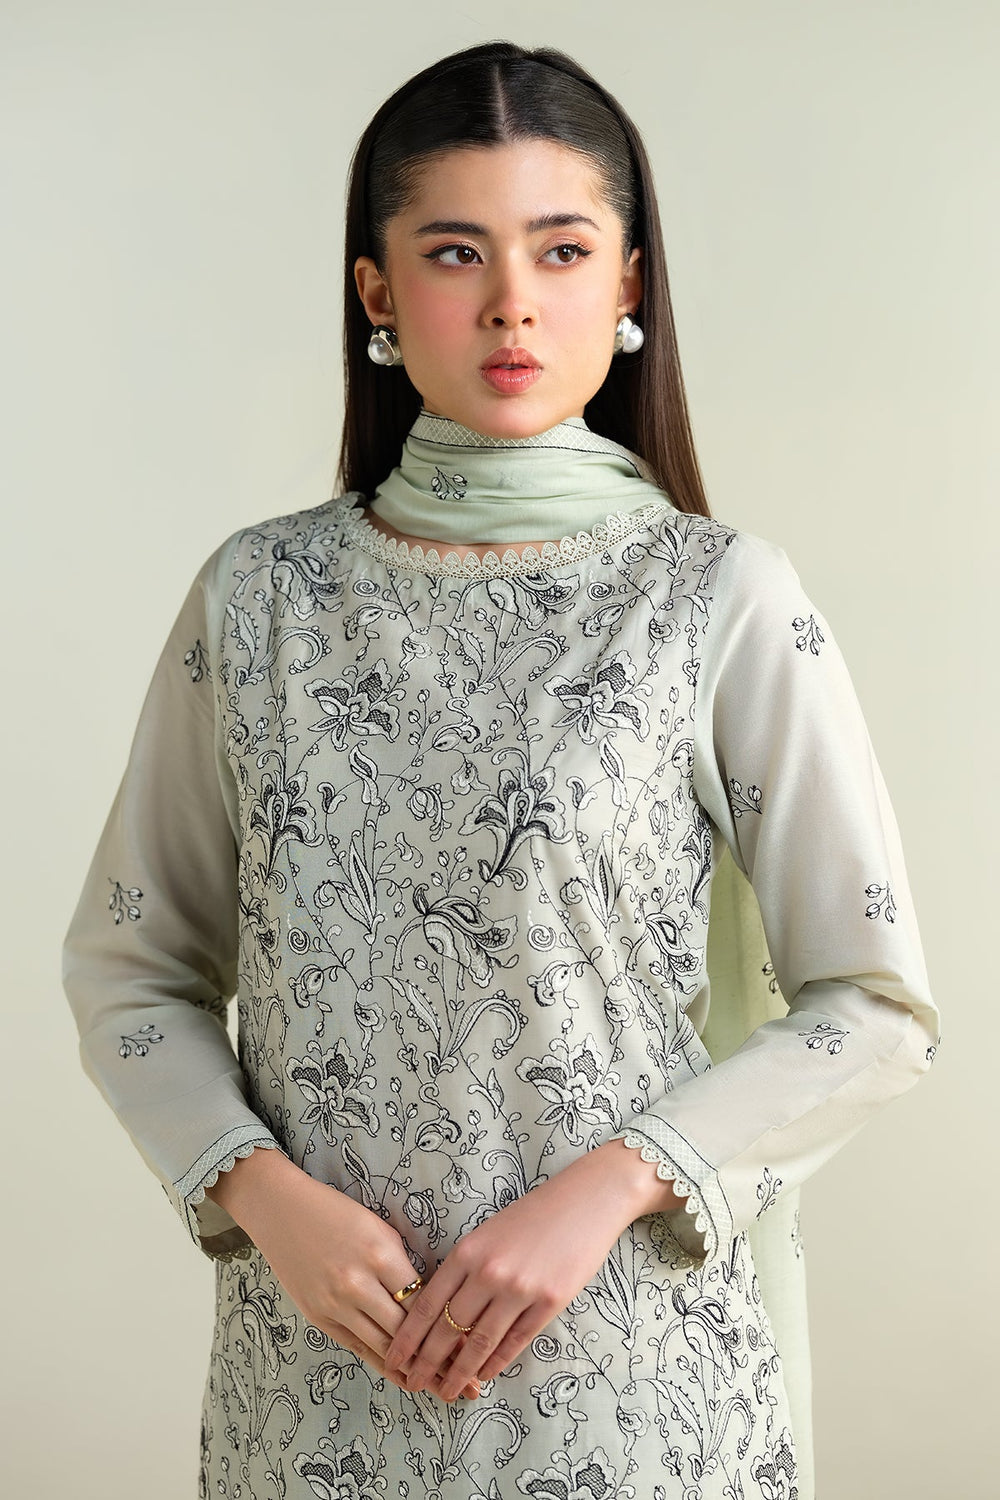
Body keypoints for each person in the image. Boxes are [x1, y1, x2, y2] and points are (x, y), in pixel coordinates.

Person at [63, 40, 939, 1500]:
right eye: (456, 251)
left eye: (562, 249)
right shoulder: (257, 598)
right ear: (378, 293)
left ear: (631, 285)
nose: (513, 301)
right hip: (315, 1385)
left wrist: (612, 1187)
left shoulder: (713, 596)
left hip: (630, 1379)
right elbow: (130, 969)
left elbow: (874, 1009)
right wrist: (259, 1193)